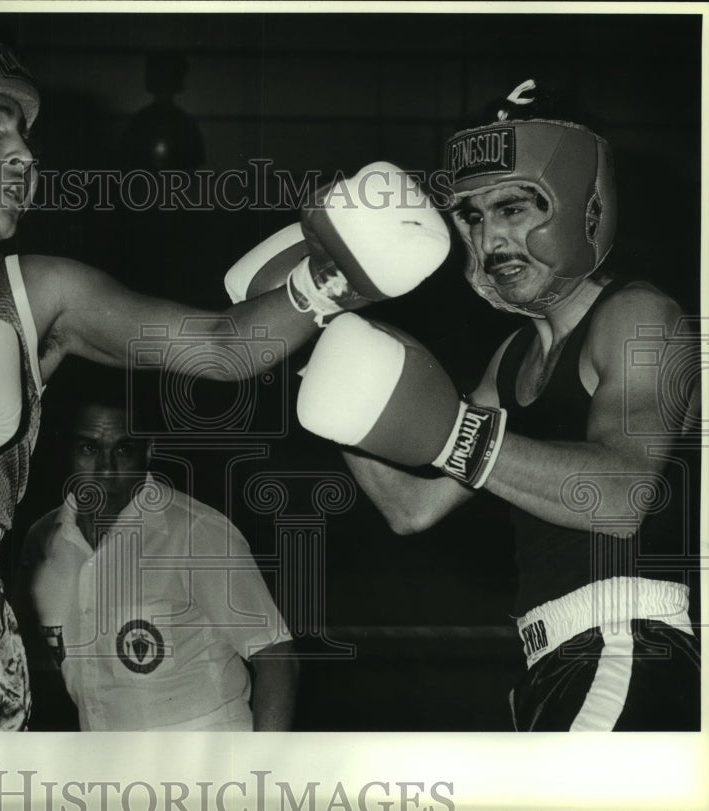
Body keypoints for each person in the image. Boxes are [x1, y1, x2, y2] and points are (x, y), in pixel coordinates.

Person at [0, 18, 447, 731]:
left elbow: (221, 345)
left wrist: (328, 279)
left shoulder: (41, 291)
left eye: (24, 132)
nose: (23, 154)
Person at [296, 79, 701, 731]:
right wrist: (325, 342)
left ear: (584, 203)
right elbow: (413, 505)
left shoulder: (640, 316)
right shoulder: (512, 357)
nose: (492, 240)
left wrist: (459, 434)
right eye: (474, 217)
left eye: (513, 207)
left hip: (631, 644)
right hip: (550, 664)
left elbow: (623, 495)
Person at [13, 363, 297, 731]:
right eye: (88, 448)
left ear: (148, 450)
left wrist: (264, 781)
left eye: (123, 450)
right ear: (65, 449)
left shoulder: (196, 533)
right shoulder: (41, 541)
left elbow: (277, 658)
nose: (106, 470)